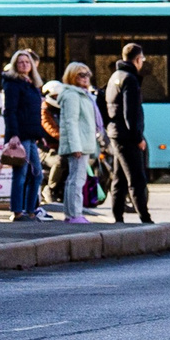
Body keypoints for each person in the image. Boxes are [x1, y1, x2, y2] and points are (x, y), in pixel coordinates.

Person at [105, 42, 153, 223]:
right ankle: (145, 218)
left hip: (115, 133)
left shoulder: (115, 76)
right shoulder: (130, 79)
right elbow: (130, 113)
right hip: (127, 136)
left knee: (119, 178)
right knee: (136, 178)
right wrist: (138, 137)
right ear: (138, 59)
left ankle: (118, 217)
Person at [1, 48, 48, 221]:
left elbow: (34, 113)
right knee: (20, 174)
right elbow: (10, 111)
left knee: (37, 174)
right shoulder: (13, 84)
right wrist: (13, 134)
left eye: (27, 62)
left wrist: (40, 133)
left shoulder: (31, 84)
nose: (24, 64)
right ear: (15, 65)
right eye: (20, 62)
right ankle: (17, 211)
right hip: (20, 136)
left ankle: (30, 210)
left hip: (30, 135)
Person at [57, 61, 103, 222]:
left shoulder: (83, 94)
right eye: (81, 75)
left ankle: (73, 213)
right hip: (79, 145)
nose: (85, 78)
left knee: (75, 179)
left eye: (87, 74)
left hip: (83, 142)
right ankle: (74, 214)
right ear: (72, 77)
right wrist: (76, 146)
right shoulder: (72, 95)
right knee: (76, 180)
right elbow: (71, 122)